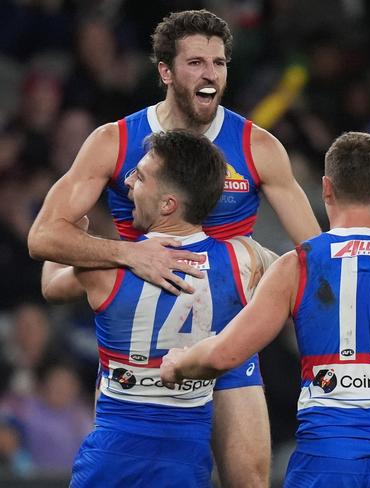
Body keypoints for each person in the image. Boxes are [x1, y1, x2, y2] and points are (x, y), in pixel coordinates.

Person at [28, 10, 321, 486]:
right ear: (165, 71)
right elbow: (43, 237)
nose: (211, 75)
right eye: (196, 63)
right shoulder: (114, 142)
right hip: (137, 328)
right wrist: (130, 253)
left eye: (219, 63)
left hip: (225, 336)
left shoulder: (257, 147)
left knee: (248, 479)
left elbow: (314, 257)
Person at [160, 132, 370, 487]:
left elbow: (225, 354)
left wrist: (180, 364)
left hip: (326, 458)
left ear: (326, 188)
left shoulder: (297, 265)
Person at [41, 130, 272, 487]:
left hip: (113, 454)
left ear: (168, 204)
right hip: (185, 457)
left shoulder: (105, 268)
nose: (130, 183)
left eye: (142, 177)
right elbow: (302, 279)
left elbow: (51, 286)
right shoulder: (246, 259)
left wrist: (74, 227)